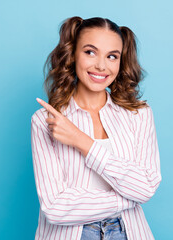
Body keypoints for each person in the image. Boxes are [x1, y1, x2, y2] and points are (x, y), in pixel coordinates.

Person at [30, 16, 162, 240]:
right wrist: (129, 197)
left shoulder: (139, 114)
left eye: (112, 56)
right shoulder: (46, 121)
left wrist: (82, 141)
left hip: (128, 231)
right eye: (90, 52)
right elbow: (55, 207)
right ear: (72, 55)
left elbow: (147, 186)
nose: (101, 65)